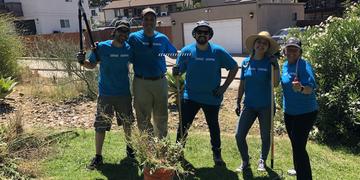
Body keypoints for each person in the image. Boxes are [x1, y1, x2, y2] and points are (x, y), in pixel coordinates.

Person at [173, 20, 238, 166]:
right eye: (200, 32)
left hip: (212, 97)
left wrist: (224, 87)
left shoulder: (218, 51)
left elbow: (234, 67)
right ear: (194, 34)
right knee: (183, 126)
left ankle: (217, 155)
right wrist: (176, 72)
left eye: (206, 32)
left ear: (210, 35)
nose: (202, 34)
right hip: (190, 97)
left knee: (213, 127)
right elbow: (180, 71)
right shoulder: (186, 51)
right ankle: (178, 153)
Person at [76, 20, 134, 170]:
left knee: (127, 124)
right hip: (106, 94)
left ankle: (130, 150)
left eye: (126, 31)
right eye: (120, 30)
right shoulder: (101, 47)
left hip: (124, 93)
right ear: (114, 31)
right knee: (100, 126)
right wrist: (82, 62)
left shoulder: (129, 48)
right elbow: (91, 64)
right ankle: (98, 156)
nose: (123, 34)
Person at [128, 8, 177, 138]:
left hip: (160, 82)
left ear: (156, 21)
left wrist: (188, 53)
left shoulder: (162, 38)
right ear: (142, 21)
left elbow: (174, 55)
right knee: (143, 116)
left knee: (161, 115)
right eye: (146, 19)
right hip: (141, 82)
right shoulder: (133, 38)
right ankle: (148, 146)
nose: (149, 22)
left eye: (152, 19)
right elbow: (123, 51)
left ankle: (161, 145)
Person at [234, 31, 280, 172]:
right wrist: (238, 100)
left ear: (267, 47)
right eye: (259, 42)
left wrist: (276, 67)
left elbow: (276, 83)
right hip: (249, 105)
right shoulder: (246, 62)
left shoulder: (270, 62)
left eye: (264, 43)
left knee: (265, 136)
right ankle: (245, 161)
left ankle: (262, 160)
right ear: (254, 45)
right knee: (239, 135)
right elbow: (242, 84)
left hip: (266, 106)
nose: (261, 45)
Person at [281, 37, 318, 180]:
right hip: (289, 112)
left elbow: (311, 89)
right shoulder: (284, 65)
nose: (291, 52)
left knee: (298, 146)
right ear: (284, 50)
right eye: (289, 48)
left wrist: (301, 88)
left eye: (294, 49)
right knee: (296, 145)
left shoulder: (304, 65)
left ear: (300, 52)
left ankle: (304, 177)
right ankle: (298, 168)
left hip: (306, 112)